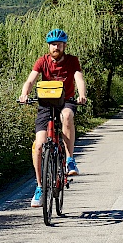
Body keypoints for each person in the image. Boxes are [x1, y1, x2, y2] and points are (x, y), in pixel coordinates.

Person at [19, 28, 87, 208]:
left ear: (64, 45)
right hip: (46, 105)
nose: (56, 47)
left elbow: (78, 78)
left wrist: (82, 95)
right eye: (53, 44)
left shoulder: (72, 61)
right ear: (49, 46)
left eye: (59, 44)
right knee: (39, 145)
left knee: (67, 115)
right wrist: (24, 94)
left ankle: (70, 160)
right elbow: (31, 80)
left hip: (66, 102)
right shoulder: (42, 61)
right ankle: (40, 187)